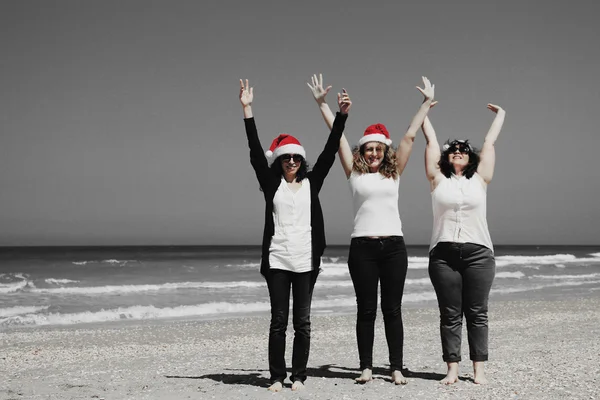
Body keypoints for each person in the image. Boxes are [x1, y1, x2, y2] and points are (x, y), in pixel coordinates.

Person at [307, 73, 435, 385]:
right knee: (366, 310)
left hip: (393, 248)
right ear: (362, 152)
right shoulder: (353, 172)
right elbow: (336, 137)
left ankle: (396, 367)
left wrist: (426, 104)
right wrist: (324, 104)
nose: (374, 154)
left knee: (392, 310)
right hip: (362, 249)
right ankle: (365, 367)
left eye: (379, 150)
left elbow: (409, 138)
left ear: (384, 152)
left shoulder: (394, 173)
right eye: (369, 150)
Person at [239, 78, 351, 392]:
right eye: (286, 157)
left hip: (305, 260)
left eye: (296, 157)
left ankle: (298, 376)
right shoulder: (271, 185)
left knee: (302, 323)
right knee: (278, 322)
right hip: (277, 259)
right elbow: (254, 153)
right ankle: (276, 376)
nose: (291, 161)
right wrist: (247, 110)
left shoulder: (312, 183)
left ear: (302, 160)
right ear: (279, 160)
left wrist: (341, 115)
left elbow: (330, 152)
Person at [420, 103, 506, 385]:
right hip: (443, 254)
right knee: (450, 313)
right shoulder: (437, 179)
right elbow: (431, 140)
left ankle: (479, 369)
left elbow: (489, 143)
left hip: (479, 253)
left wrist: (501, 116)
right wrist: (424, 110)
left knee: (477, 313)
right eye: (453, 149)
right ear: (446, 156)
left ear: (471, 158)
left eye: (464, 150)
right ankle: (452, 369)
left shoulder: (481, 179)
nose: (458, 151)